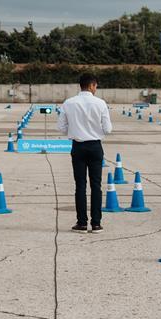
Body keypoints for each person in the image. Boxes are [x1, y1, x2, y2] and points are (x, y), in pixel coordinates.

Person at [57, 72, 113, 232]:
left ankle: (81, 222)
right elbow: (108, 129)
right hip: (95, 147)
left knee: (80, 185)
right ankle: (96, 223)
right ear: (91, 85)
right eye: (96, 86)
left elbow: (61, 128)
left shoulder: (69, 103)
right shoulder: (100, 103)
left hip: (78, 147)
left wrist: (75, 129)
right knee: (96, 186)